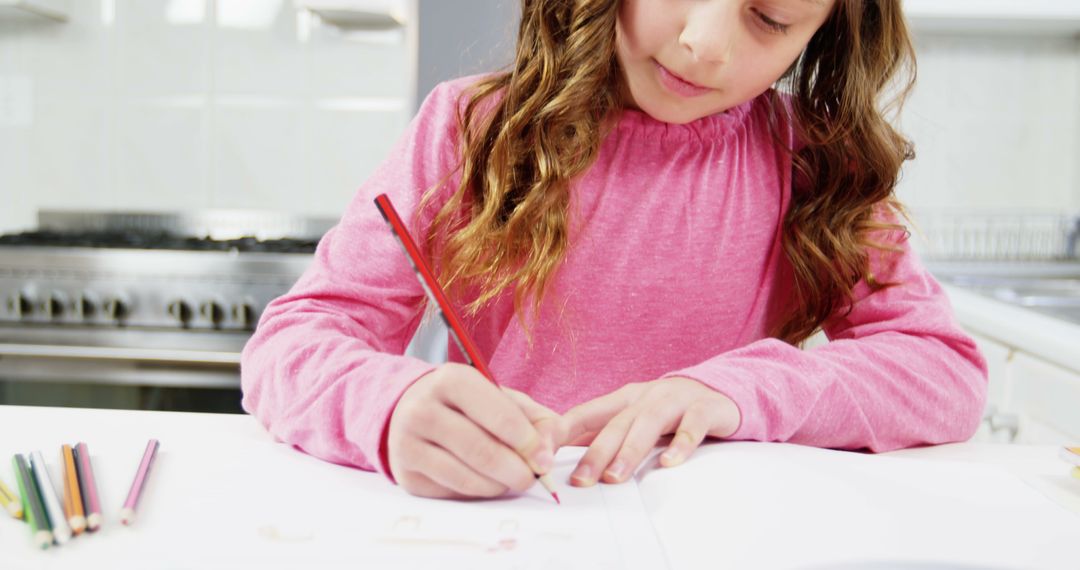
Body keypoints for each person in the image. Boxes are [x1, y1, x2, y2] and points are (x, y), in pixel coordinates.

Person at [240, 0, 987, 500]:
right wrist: (388, 406)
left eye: (769, 17)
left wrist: (739, 390)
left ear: (823, 34)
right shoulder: (471, 131)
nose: (703, 43)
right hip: (524, 525)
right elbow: (291, 343)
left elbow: (943, 372)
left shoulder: (819, 164)